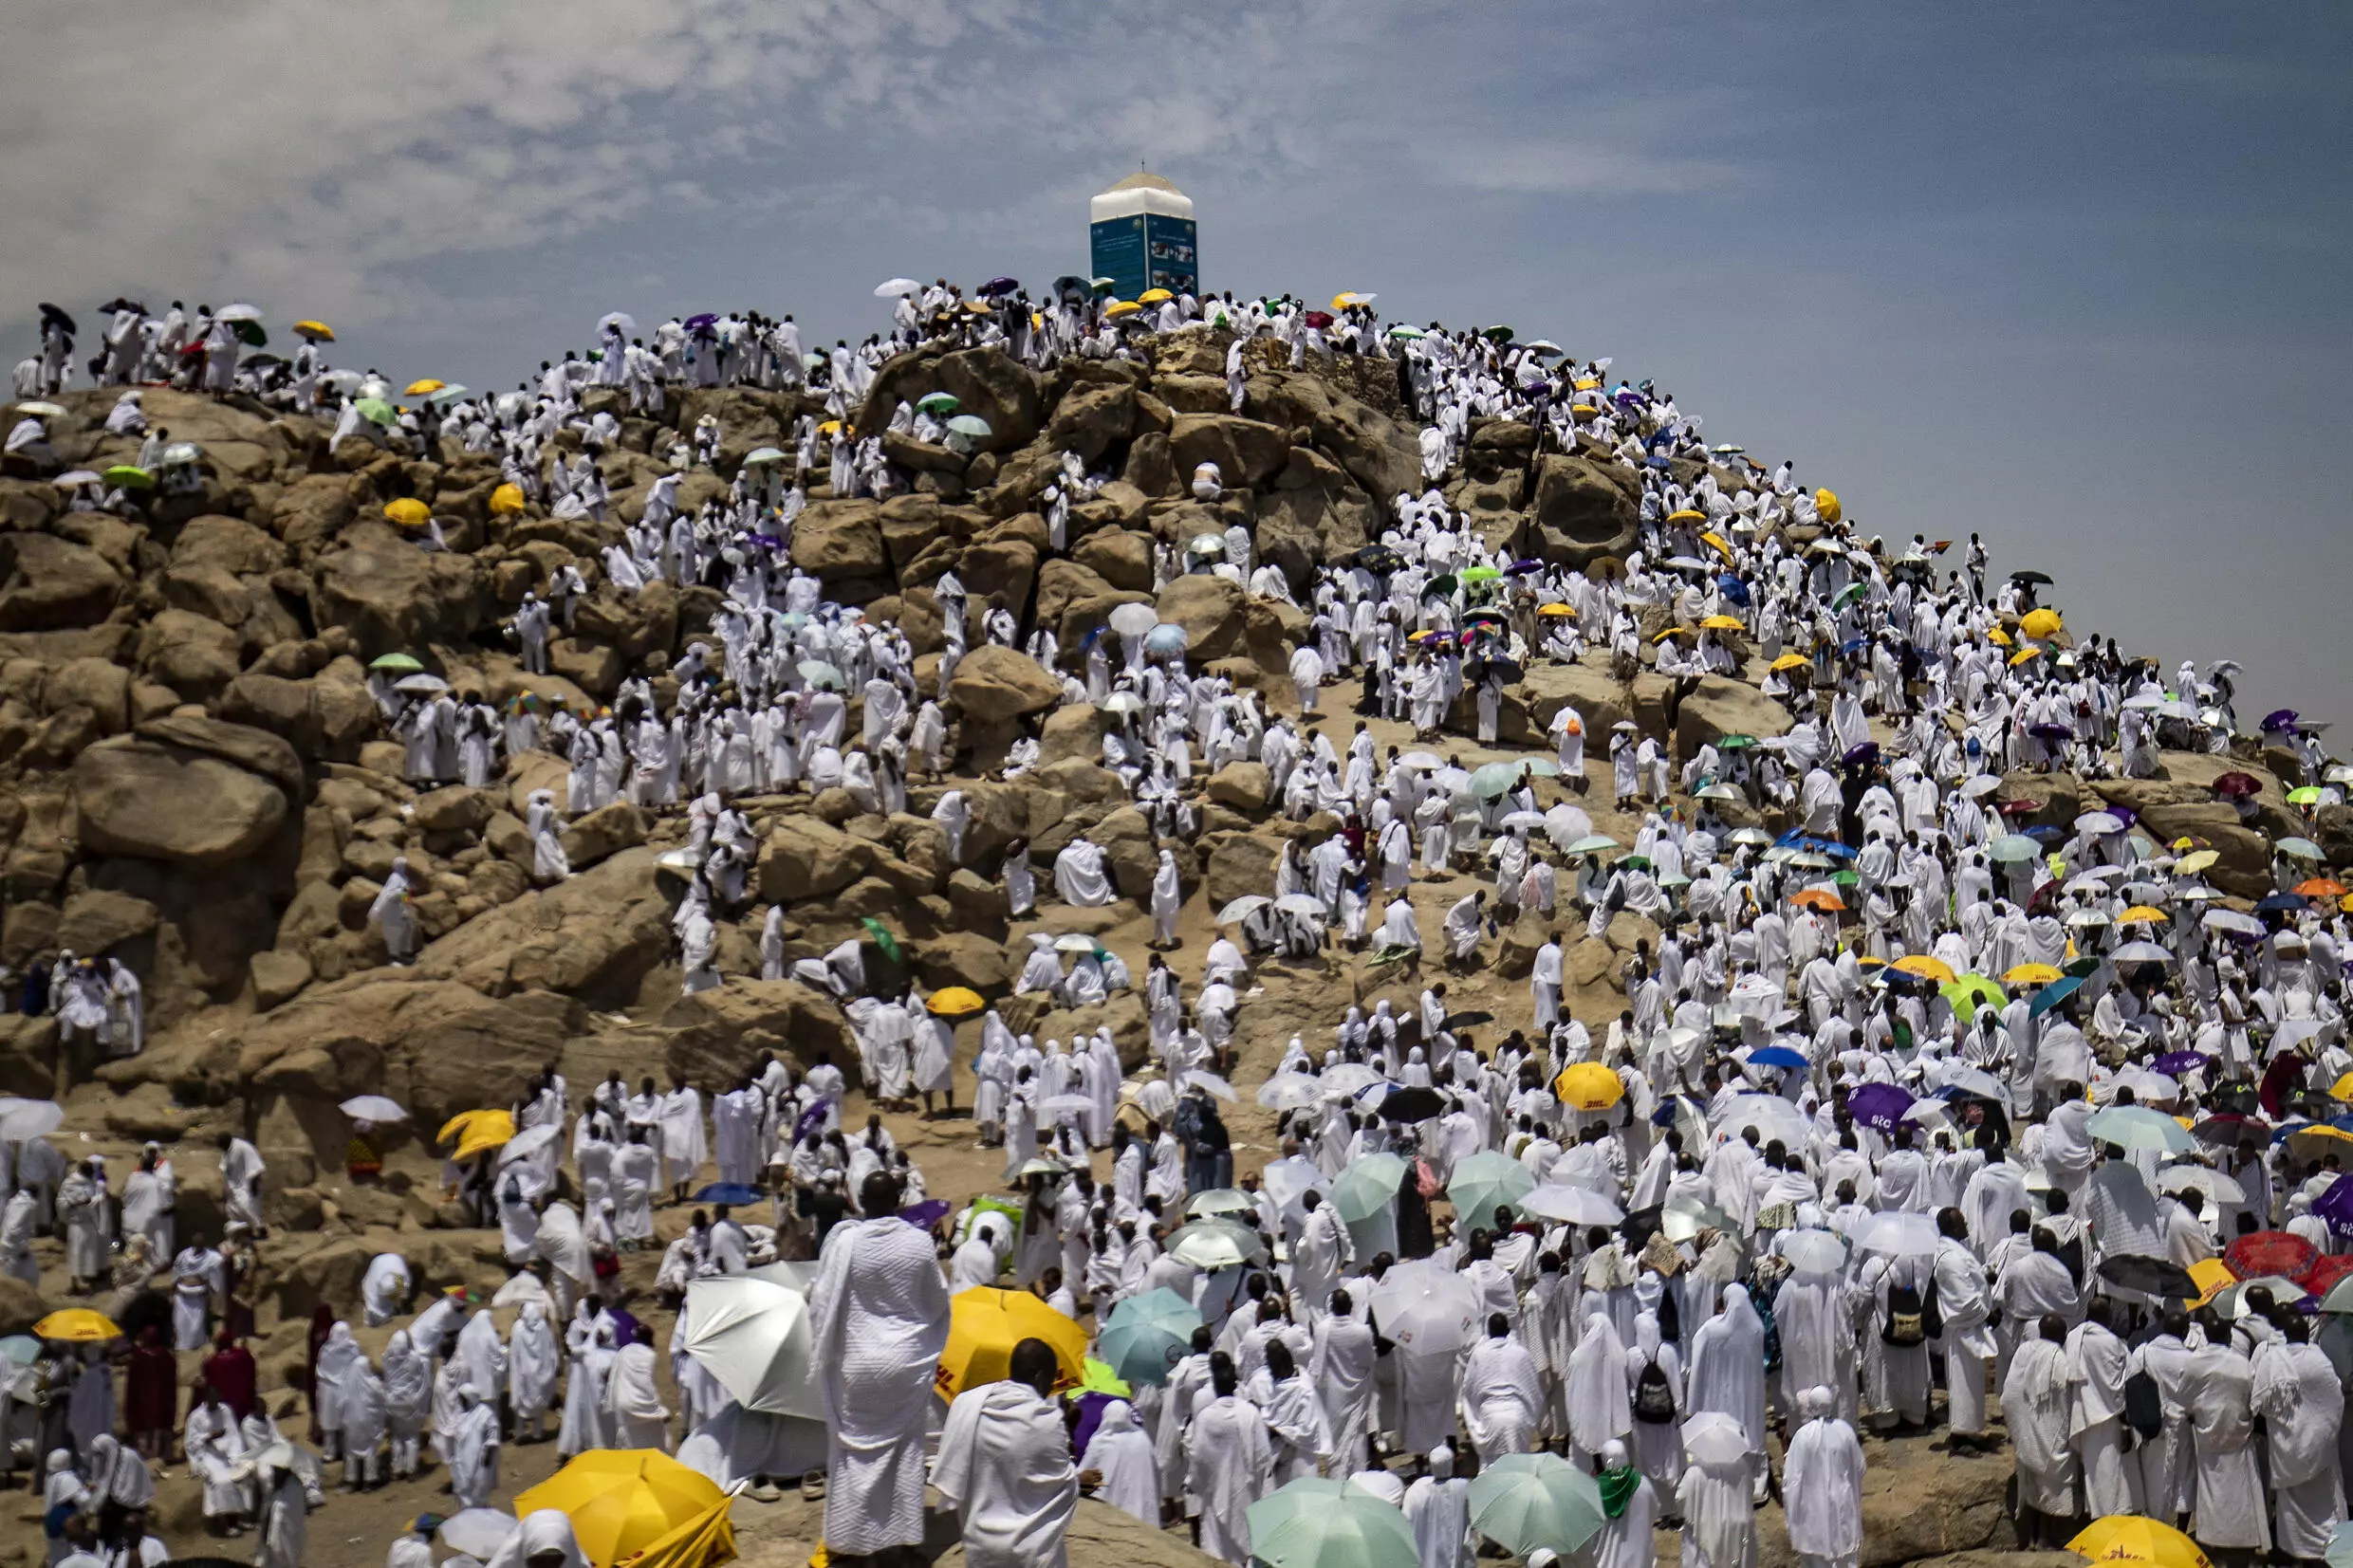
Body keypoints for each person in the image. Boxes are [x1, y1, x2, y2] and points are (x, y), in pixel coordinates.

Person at [807, 1171, 952, 1562]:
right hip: (906, 1363)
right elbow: (938, 1301)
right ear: (899, 1199)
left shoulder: (846, 1244)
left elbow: (821, 1302)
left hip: (859, 1362)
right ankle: (898, 1548)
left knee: (855, 1456)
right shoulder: (920, 1243)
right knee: (906, 1453)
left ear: (858, 1199)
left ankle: (855, 1544)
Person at [932, 1337, 1082, 1568]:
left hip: (980, 1539)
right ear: (1039, 1376)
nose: (1050, 1389)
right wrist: (1075, 1472)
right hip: (1030, 1550)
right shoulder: (1047, 1421)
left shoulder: (971, 1403)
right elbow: (1060, 1488)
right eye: (1051, 1380)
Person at [1183, 1353, 1269, 1565]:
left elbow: (1197, 1455)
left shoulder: (1205, 1417)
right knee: (1247, 1542)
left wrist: (1196, 1482)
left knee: (1218, 1550)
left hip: (1215, 1493)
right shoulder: (1250, 1413)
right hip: (1246, 1490)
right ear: (1234, 1386)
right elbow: (1263, 1454)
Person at [1783, 1386, 1863, 1568]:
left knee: (1816, 1559)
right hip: (1843, 1505)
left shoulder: (1802, 1436)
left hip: (1813, 1510)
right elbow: (1859, 1467)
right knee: (1845, 1558)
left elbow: (1791, 1479)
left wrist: (1792, 1515)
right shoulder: (1845, 1431)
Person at [1402, 1441, 1472, 1568]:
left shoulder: (1416, 1489)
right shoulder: (1462, 1487)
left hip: (1426, 1557)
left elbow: (1406, 1521)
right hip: (1456, 1558)